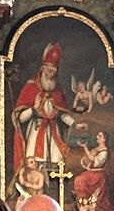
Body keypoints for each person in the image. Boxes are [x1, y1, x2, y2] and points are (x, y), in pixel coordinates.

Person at [12, 43, 78, 172]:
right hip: (36, 130)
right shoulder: (30, 88)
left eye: (54, 72)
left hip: (53, 132)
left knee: (57, 164)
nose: (51, 75)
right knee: (35, 165)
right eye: (49, 71)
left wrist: (75, 124)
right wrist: (33, 109)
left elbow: (61, 114)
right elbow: (19, 118)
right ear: (42, 69)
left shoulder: (57, 91)